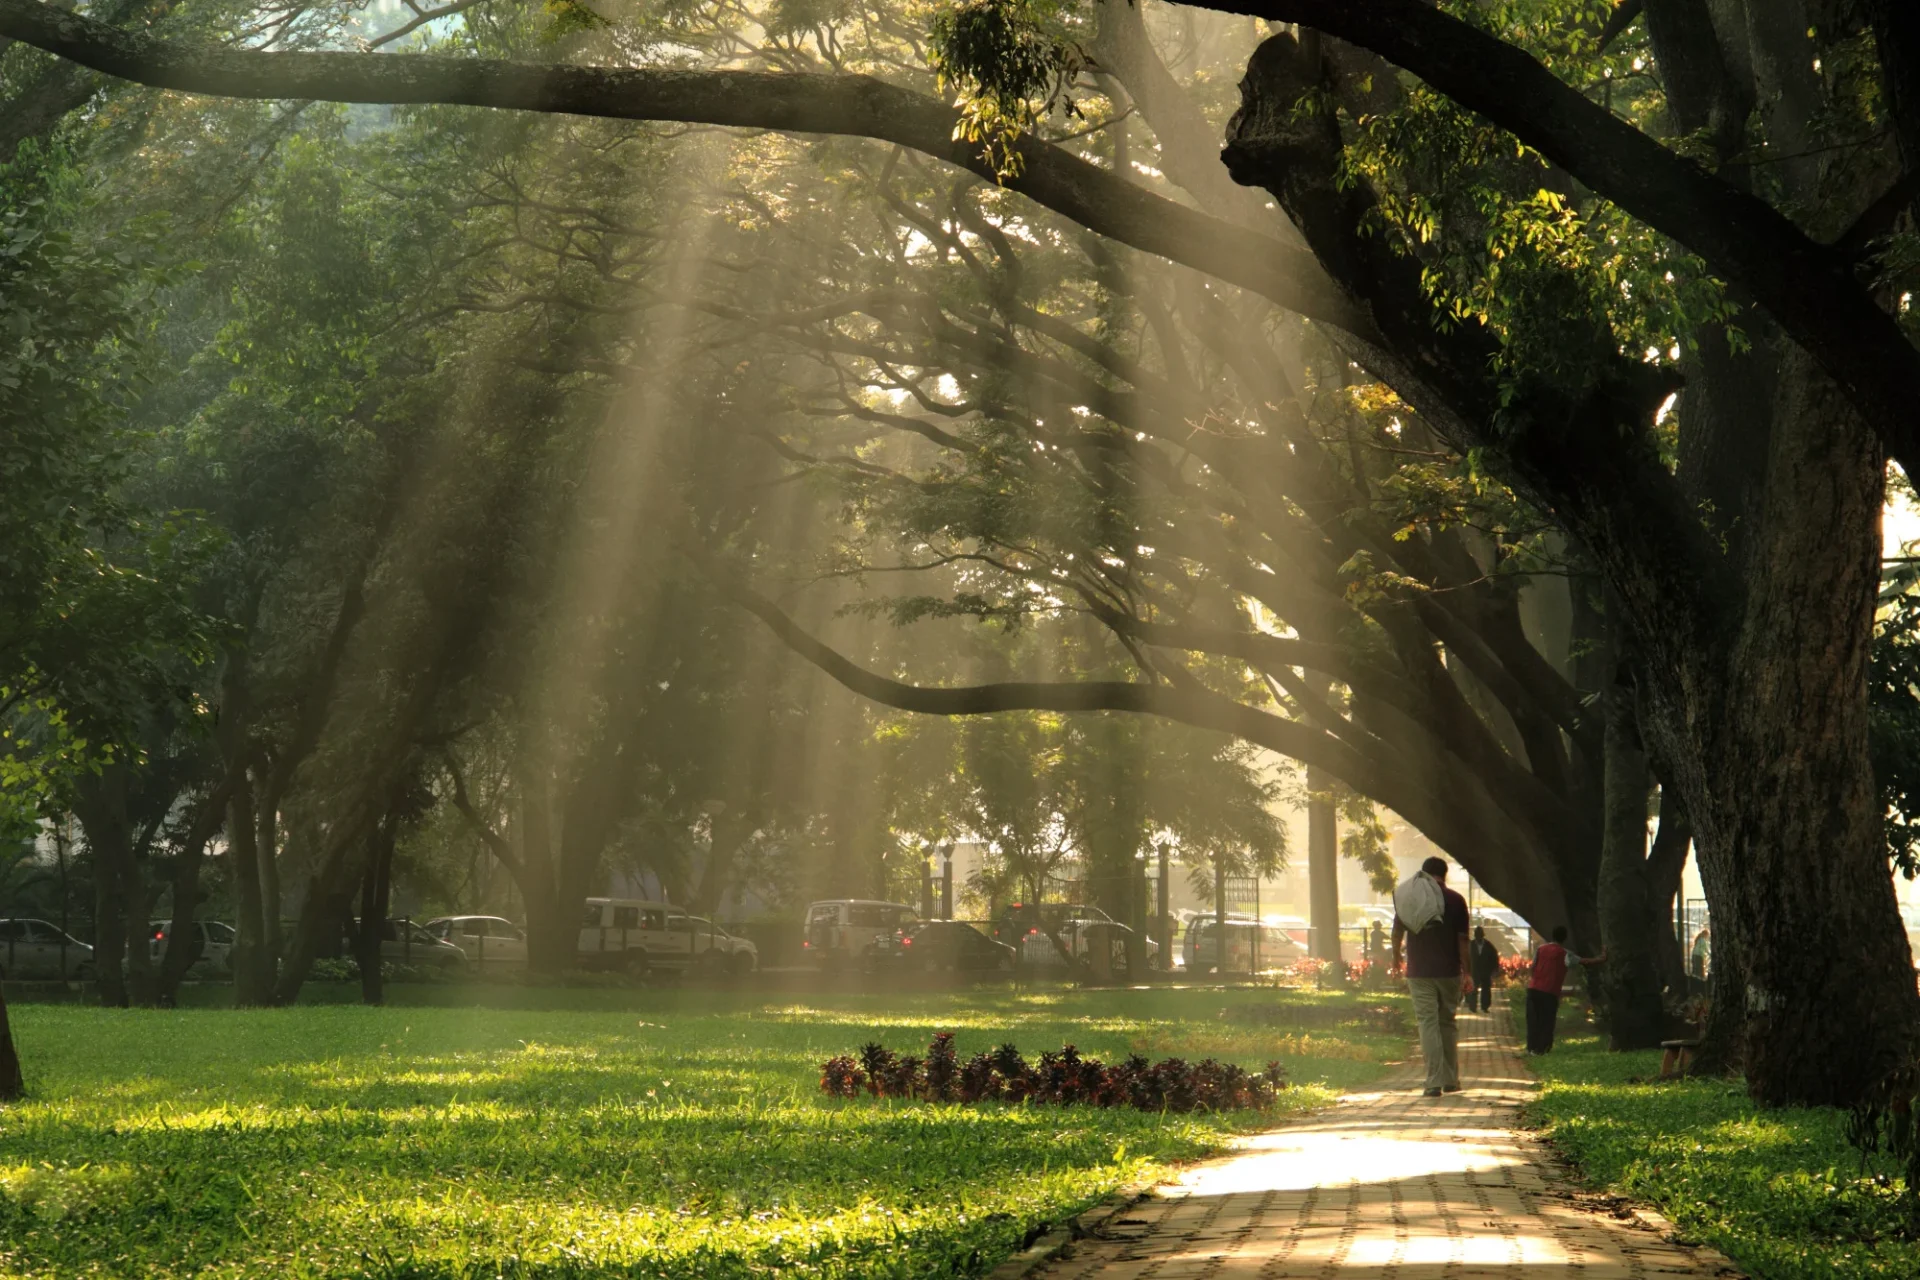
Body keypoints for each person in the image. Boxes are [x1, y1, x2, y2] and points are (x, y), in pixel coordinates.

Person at [1392, 856, 1472, 1097]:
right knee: (1447, 1022)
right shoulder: (1457, 900)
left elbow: (1397, 933)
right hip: (1448, 972)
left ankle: (1433, 1082)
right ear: (1445, 875)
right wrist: (1467, 972)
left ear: (1423, 874)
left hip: (1419, 972)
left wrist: (1396, 957)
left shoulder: (1411, 897)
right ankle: (1451, 1079)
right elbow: (1463, 940)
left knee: (1428, 1023)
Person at [1525, 926, 1606, 1054]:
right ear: (1565, 938)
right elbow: (1583, 961)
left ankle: (1531, 1047)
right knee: (1547, 1020)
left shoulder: (1540, 949)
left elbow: (1532, 967)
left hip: (1533, 989)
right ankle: (1542, 1048)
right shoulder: (1565, 953)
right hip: (1549, 991)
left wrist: (1534, 979)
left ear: (1552, 936)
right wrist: (1601, 958)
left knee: (1533, 1019)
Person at [1468, 925, 1500, 1013]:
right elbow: (1465, 957)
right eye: (1477, 936)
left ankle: (1485, 1006)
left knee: (1486, 989)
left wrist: (1495, 969)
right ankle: (1472, 1006)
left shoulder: (1488, 945)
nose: (1478, 938)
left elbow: (1495, 957)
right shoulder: (1470, 945)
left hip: (1486, 971)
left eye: (1480, 936)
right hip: (1474, 971)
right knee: (1473, 989)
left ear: (1483, 936)